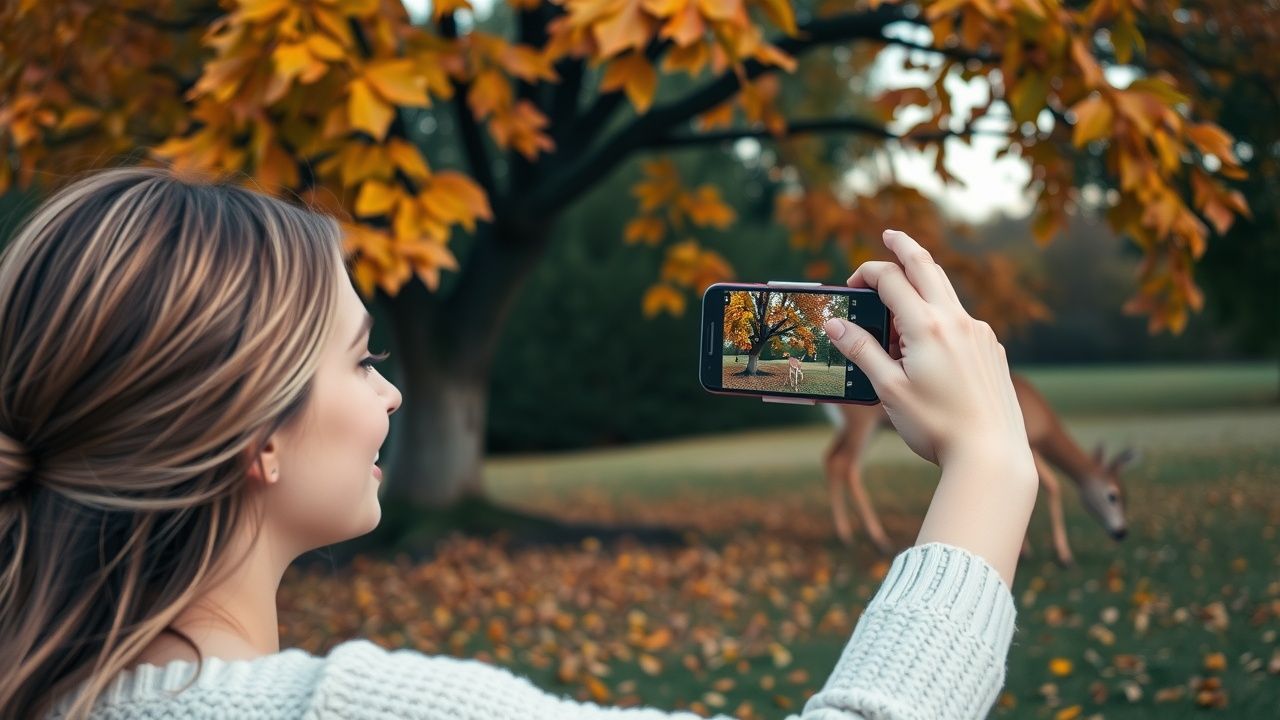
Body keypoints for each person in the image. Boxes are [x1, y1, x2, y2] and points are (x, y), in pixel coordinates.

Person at [0, 166, 1038, 720]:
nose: (393, 398)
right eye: (364, 360)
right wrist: (989, 467)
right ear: (252, 437)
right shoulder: (359, 712)